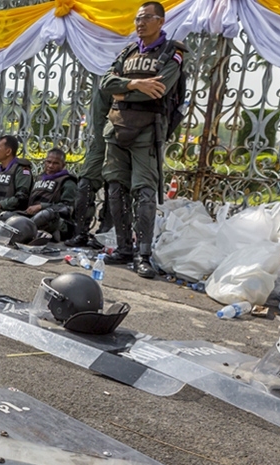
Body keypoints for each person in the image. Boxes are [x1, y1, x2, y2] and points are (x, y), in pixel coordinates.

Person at [100, 1, 185, 279]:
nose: (140, 23)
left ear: (160, 21)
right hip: (116, 127)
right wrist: (134, 85)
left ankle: (143, 253)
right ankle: (124, 248)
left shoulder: (173, 52)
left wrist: (123, 91)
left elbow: (160, 90)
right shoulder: (127, 51)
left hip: (147, 130)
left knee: (145, 193)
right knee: (115, 188)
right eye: (138, 18)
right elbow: (105, 84)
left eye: (147, 18)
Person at [0, 147, 77, 237]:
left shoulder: (68, 182)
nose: (50, 166)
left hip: (55, 221)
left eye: (56, 163)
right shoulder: (39, 178)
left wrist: (41, 206)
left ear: (63, 165)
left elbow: (67, 208)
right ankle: (23, 231)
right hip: (32, 217)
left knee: (45, 215)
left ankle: (16, 231)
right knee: (4, 215)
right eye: (48, 162)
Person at [66, 86, 111, 247]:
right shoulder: (123, 66)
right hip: (105, 137)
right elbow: (104, 94)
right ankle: (80, 233)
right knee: (85, 184)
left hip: (135, 139)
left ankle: (104, 235)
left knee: (116, 189)